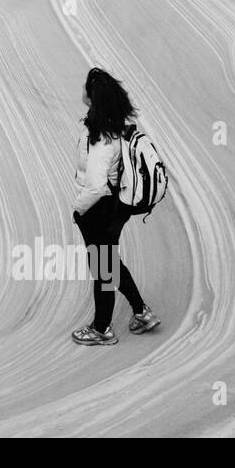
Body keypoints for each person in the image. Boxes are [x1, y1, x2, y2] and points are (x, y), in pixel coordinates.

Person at [70, 67, 161, 345]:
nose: (82, 91)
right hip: (115, 207)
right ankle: (142, 313)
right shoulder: (118, 127)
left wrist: (78, 209)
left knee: (102, 270)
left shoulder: (100, 138)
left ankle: (101, 329)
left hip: (99, 209)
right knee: (109, 264)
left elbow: (96, 185)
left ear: (92, 97)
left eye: (86, 88)